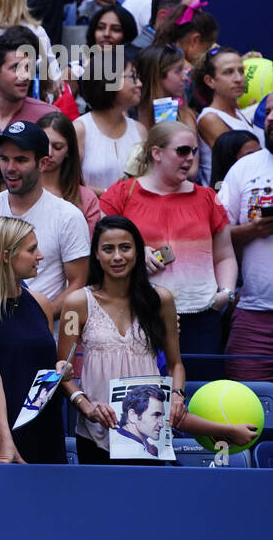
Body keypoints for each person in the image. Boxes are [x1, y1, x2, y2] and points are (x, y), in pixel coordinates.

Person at [57, 215, 256, 463]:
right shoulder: (77, 303)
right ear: (96, 254)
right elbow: (62, 372)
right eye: (108, 249)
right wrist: (87, 408)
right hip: (95, 434)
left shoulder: (161, 300)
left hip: (150, 436)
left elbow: (175, 364)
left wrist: (177, 396)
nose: (117, 256)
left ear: (138, 252)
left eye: (125, 247)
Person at [99, 121, 237, 380]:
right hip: (139, 314)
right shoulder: (122, 194)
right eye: (182, 151)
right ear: (156, 153)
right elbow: (99, 250)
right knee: (143, 401)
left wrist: (226, 293)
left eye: (194, 151)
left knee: (200, 398)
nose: (190, 158)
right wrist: (137, 253)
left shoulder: (207, 197)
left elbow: (225, 255)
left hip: (201, 316)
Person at [0, 215, 68, 463]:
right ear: (6, 256)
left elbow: (43, 366)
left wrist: (60, 370)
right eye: (32, 249)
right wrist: (6, 440)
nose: (40, 255)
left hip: (43, 425)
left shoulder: (41, 302)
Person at [0, 118, 89, 305]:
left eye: (20, 160)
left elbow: (77, 283)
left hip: (44, 328)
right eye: (4, 158)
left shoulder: (69, 216)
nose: (10, 168)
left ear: (42, 163)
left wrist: (37, 317)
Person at [217, 107, 273, 380]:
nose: (271, 117)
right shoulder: (244, 168)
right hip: (254, 315)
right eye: (270, 110)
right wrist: (250, 230)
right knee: (245, 408)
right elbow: (217, 233)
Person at [74, 52, 145, 194]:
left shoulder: (139, 130)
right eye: (133, 77)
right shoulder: (79, 129)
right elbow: (69, 184)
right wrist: (111, 196)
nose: (139, 84)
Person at [195, 46, 260, 185]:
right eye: (228, 72)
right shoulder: (210, 118)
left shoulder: (238, 112)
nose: (238, 78)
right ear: (210, 81)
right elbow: (242, 163)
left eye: (241, 71)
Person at [37, 110, 101, 234]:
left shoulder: (86, 198)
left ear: (68, 151)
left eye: (58, 147)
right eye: (43, 144)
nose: (49, 153)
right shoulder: (20, 190)